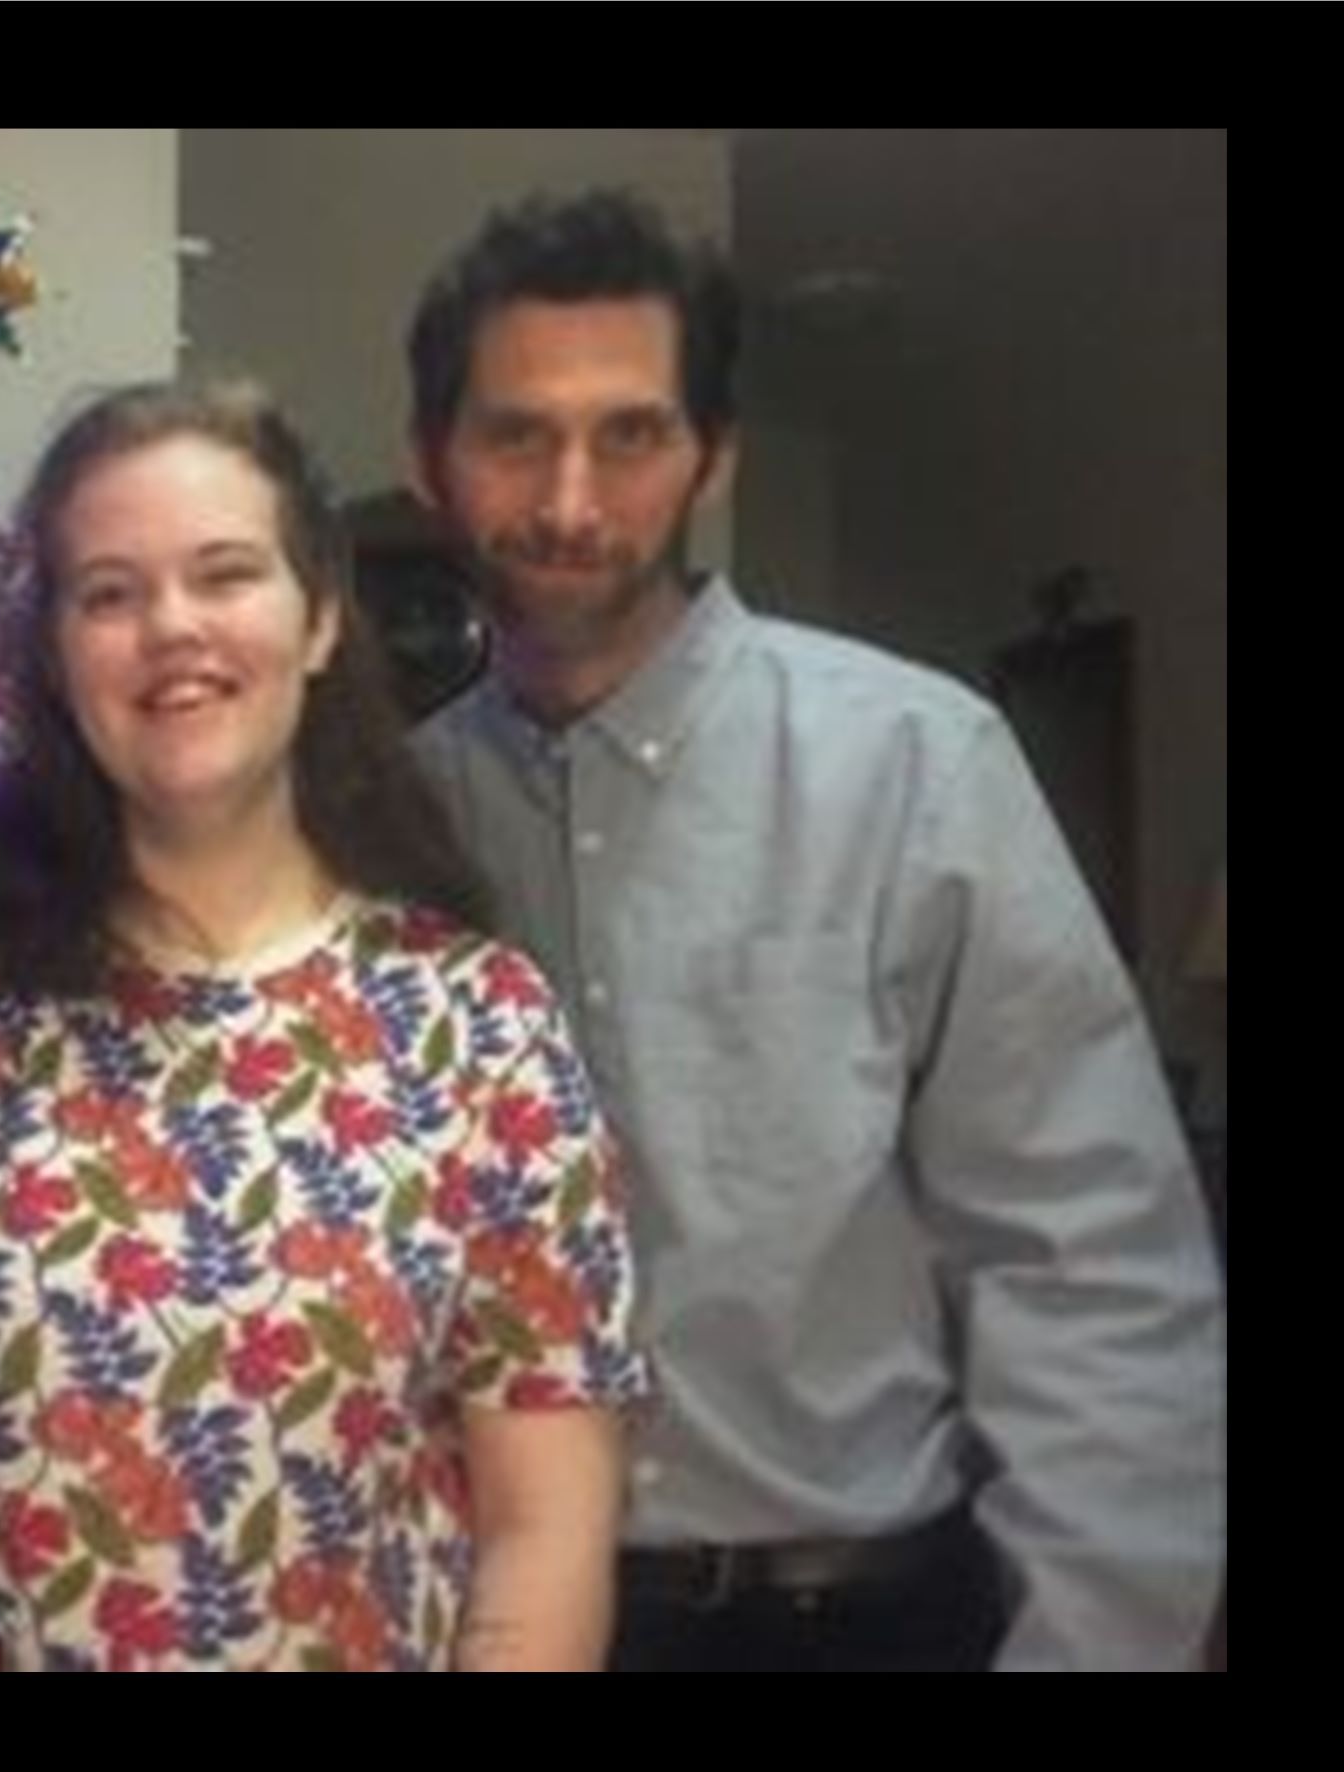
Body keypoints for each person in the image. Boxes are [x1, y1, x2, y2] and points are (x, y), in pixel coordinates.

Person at [406, 190, 1226, 1670]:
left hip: (848, 1618)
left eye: (633, 434)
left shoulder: (918, 767)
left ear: (711, 456)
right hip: (483, 1622)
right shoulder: (385, 828)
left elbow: (1088, 1266)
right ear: (431, 464)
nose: (573, 499)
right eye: (517, 433)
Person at [0, 380, 647, 1671]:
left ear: (319, 619)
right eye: (110, 594)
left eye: (225, 574)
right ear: (60, 654)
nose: (170, 628)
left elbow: (543, 1536)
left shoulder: (479, 1031)